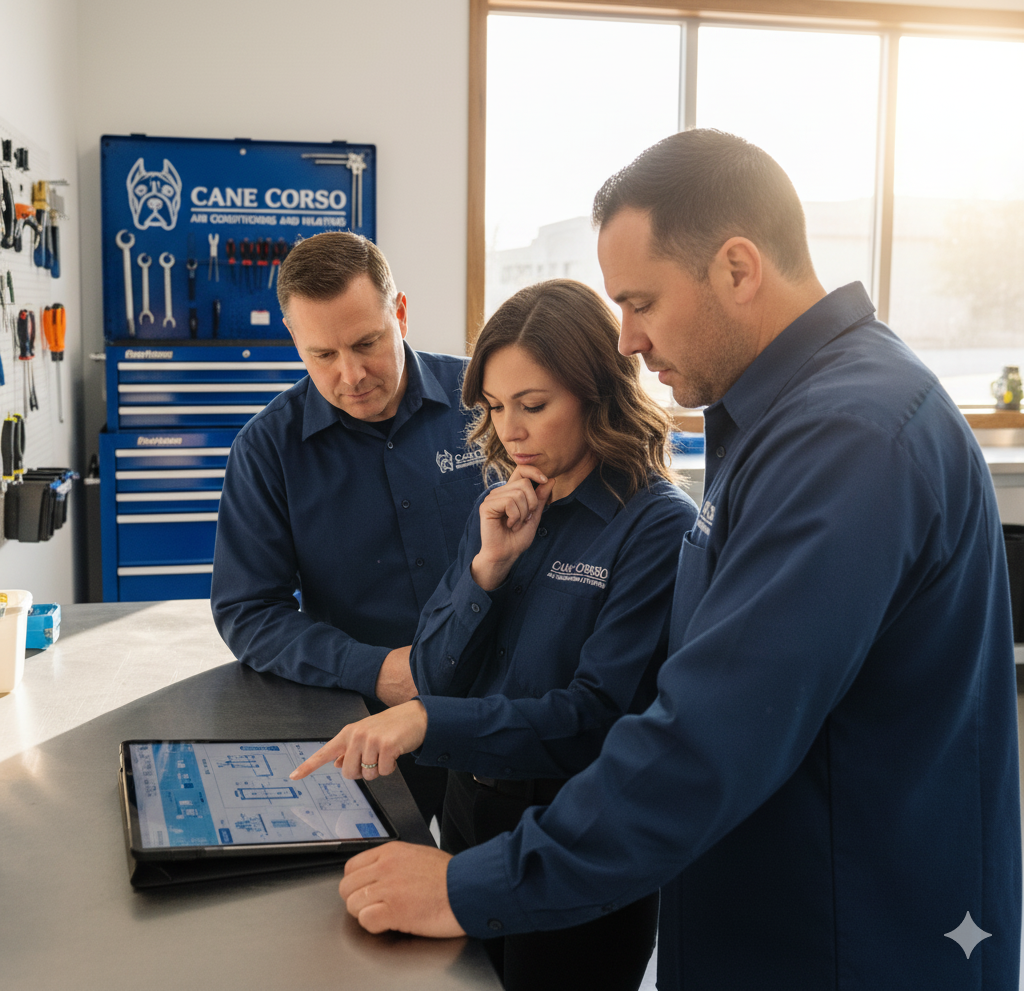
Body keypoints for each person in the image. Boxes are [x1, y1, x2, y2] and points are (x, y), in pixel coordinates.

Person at [329, 130, 1022, 990]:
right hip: (755, 909)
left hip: (845, 936)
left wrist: (474, 886)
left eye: (641, 302)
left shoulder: (847, 437)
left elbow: (708, 732)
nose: (626, 339)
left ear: (736, 268)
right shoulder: (776, 422)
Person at [291, 278, 698, 990]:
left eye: (534, 406)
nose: (510, 431)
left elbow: (593, 718)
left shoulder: (656, 522)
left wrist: (424, 720)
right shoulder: (503, 503)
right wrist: (484, 572)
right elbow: (435, 668)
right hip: (471, 813)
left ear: (597, 392)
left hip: (569, 837)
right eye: (496, 408)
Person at [211, 231, 487, 824]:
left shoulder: (487, 403)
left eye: (368, 342)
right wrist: (374, 670)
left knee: (493, 898)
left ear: (401, 313)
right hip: (365, 726)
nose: (351, 375)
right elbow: (248, 610)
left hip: (499, 709)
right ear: (294, 340)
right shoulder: (266, 451)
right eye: (323, 355)